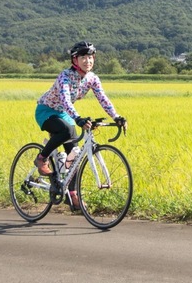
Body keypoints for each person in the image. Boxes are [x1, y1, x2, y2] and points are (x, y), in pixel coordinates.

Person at [34, 41, 126, 180]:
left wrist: (116, 116)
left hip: (64, 114)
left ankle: (71, 192)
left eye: (90, 57)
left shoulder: (92, 78)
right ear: (75, 60)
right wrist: (78, 118)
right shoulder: (65, 76)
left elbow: (103, 98)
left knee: (74, 155)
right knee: (67, 130)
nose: (87, 61)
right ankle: (41, 158)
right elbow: (65, 100)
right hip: (46, 110)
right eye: (83, 57)